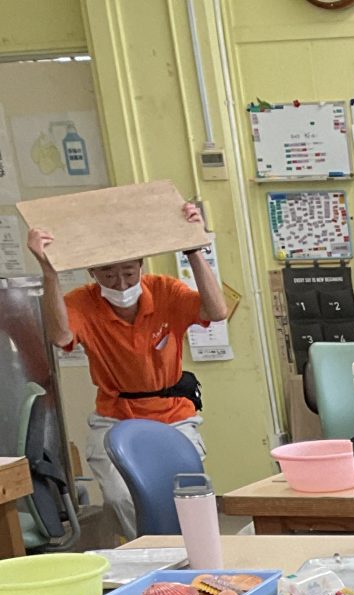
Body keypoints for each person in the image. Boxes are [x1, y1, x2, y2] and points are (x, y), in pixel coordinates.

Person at [26, 202, 225, 538]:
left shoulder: (165, 290)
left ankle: (192, 553)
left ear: (141, 266)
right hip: (115, 416)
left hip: (173, 414)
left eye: (129, 273)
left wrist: (193, 249)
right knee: (121, 498)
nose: (120, 283)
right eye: (108, 274)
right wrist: (49, 272)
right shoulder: (81, 303)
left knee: (187, 498)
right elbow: (60, 336)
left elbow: (216, 311)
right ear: (92, 272)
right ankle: (149, 553)